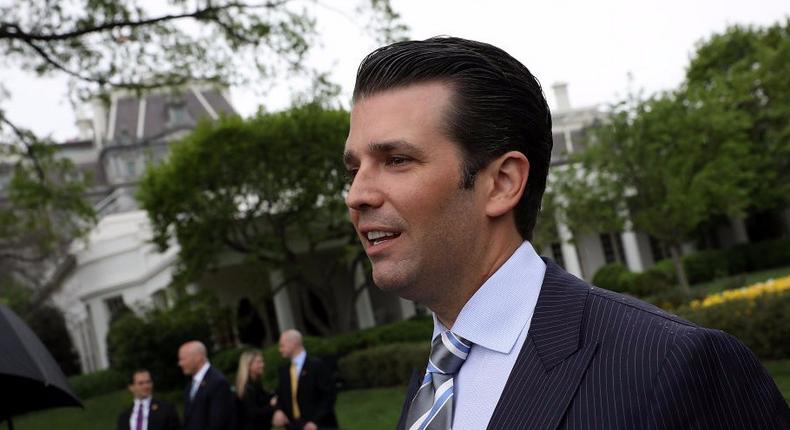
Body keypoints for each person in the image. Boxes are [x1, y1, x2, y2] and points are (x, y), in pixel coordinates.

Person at [343, 36, 790, 430]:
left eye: (397, 160)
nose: (357, 194)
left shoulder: (671, 365)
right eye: (354, 168)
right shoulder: (432, 380)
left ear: (501, 184)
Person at [272, 329, 337, 430]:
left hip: (318, 426)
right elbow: (280, 396)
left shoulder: (316, 365)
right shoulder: (284, 370)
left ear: (293, 343)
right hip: (294, 426)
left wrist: (315, 421)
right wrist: (278, 410)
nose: (280, 349)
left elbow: (328, 396)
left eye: (282, 345)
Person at [178, 340, 236, 430]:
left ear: (198, 358)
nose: (180, 363)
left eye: (183, 359)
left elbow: (218, 422)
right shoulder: (190, 385)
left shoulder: (218, 382)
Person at [235, 350, 276, 430]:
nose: (262, 365)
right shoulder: (247, 388)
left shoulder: (256, 384)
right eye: (258, 362)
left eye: (262, 362)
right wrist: (272, 406)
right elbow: (254, 413)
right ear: (248, 365)